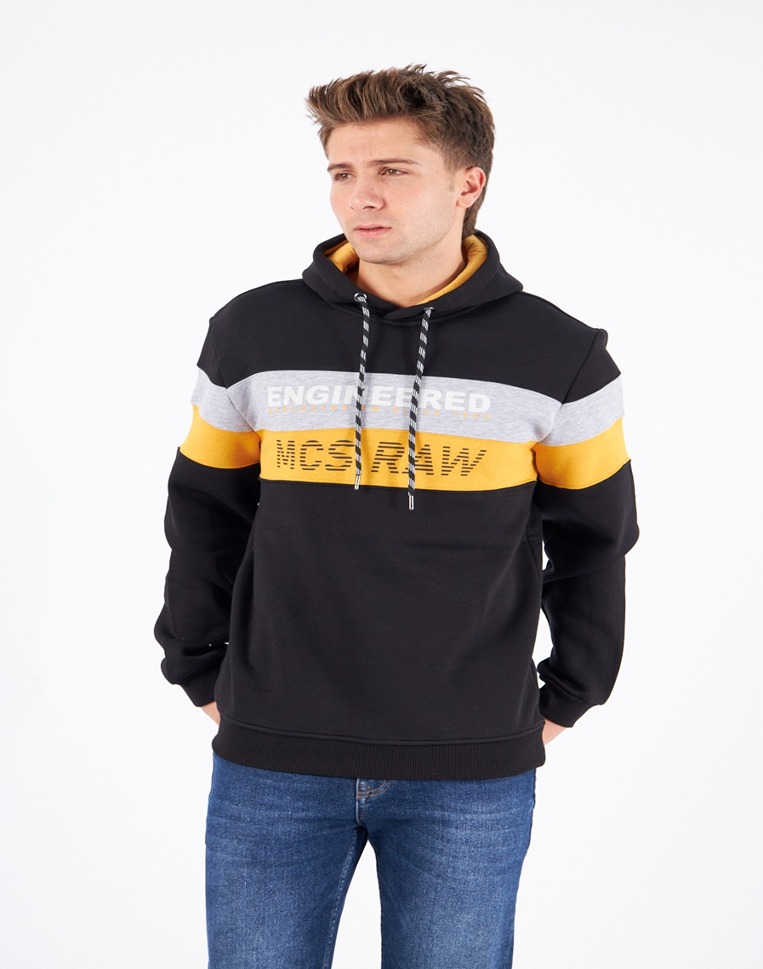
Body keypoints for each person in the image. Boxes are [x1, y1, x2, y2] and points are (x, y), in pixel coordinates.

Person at [155, 64, 639, 969]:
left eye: (392, 171)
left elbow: (595, 541)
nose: (361, 196)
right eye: (342, 172)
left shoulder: (560, 355)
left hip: (469, 768)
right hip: (272, 752)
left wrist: (571, 691)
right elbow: (203, 511)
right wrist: (197, 663)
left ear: (467, 183)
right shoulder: (253, 332)